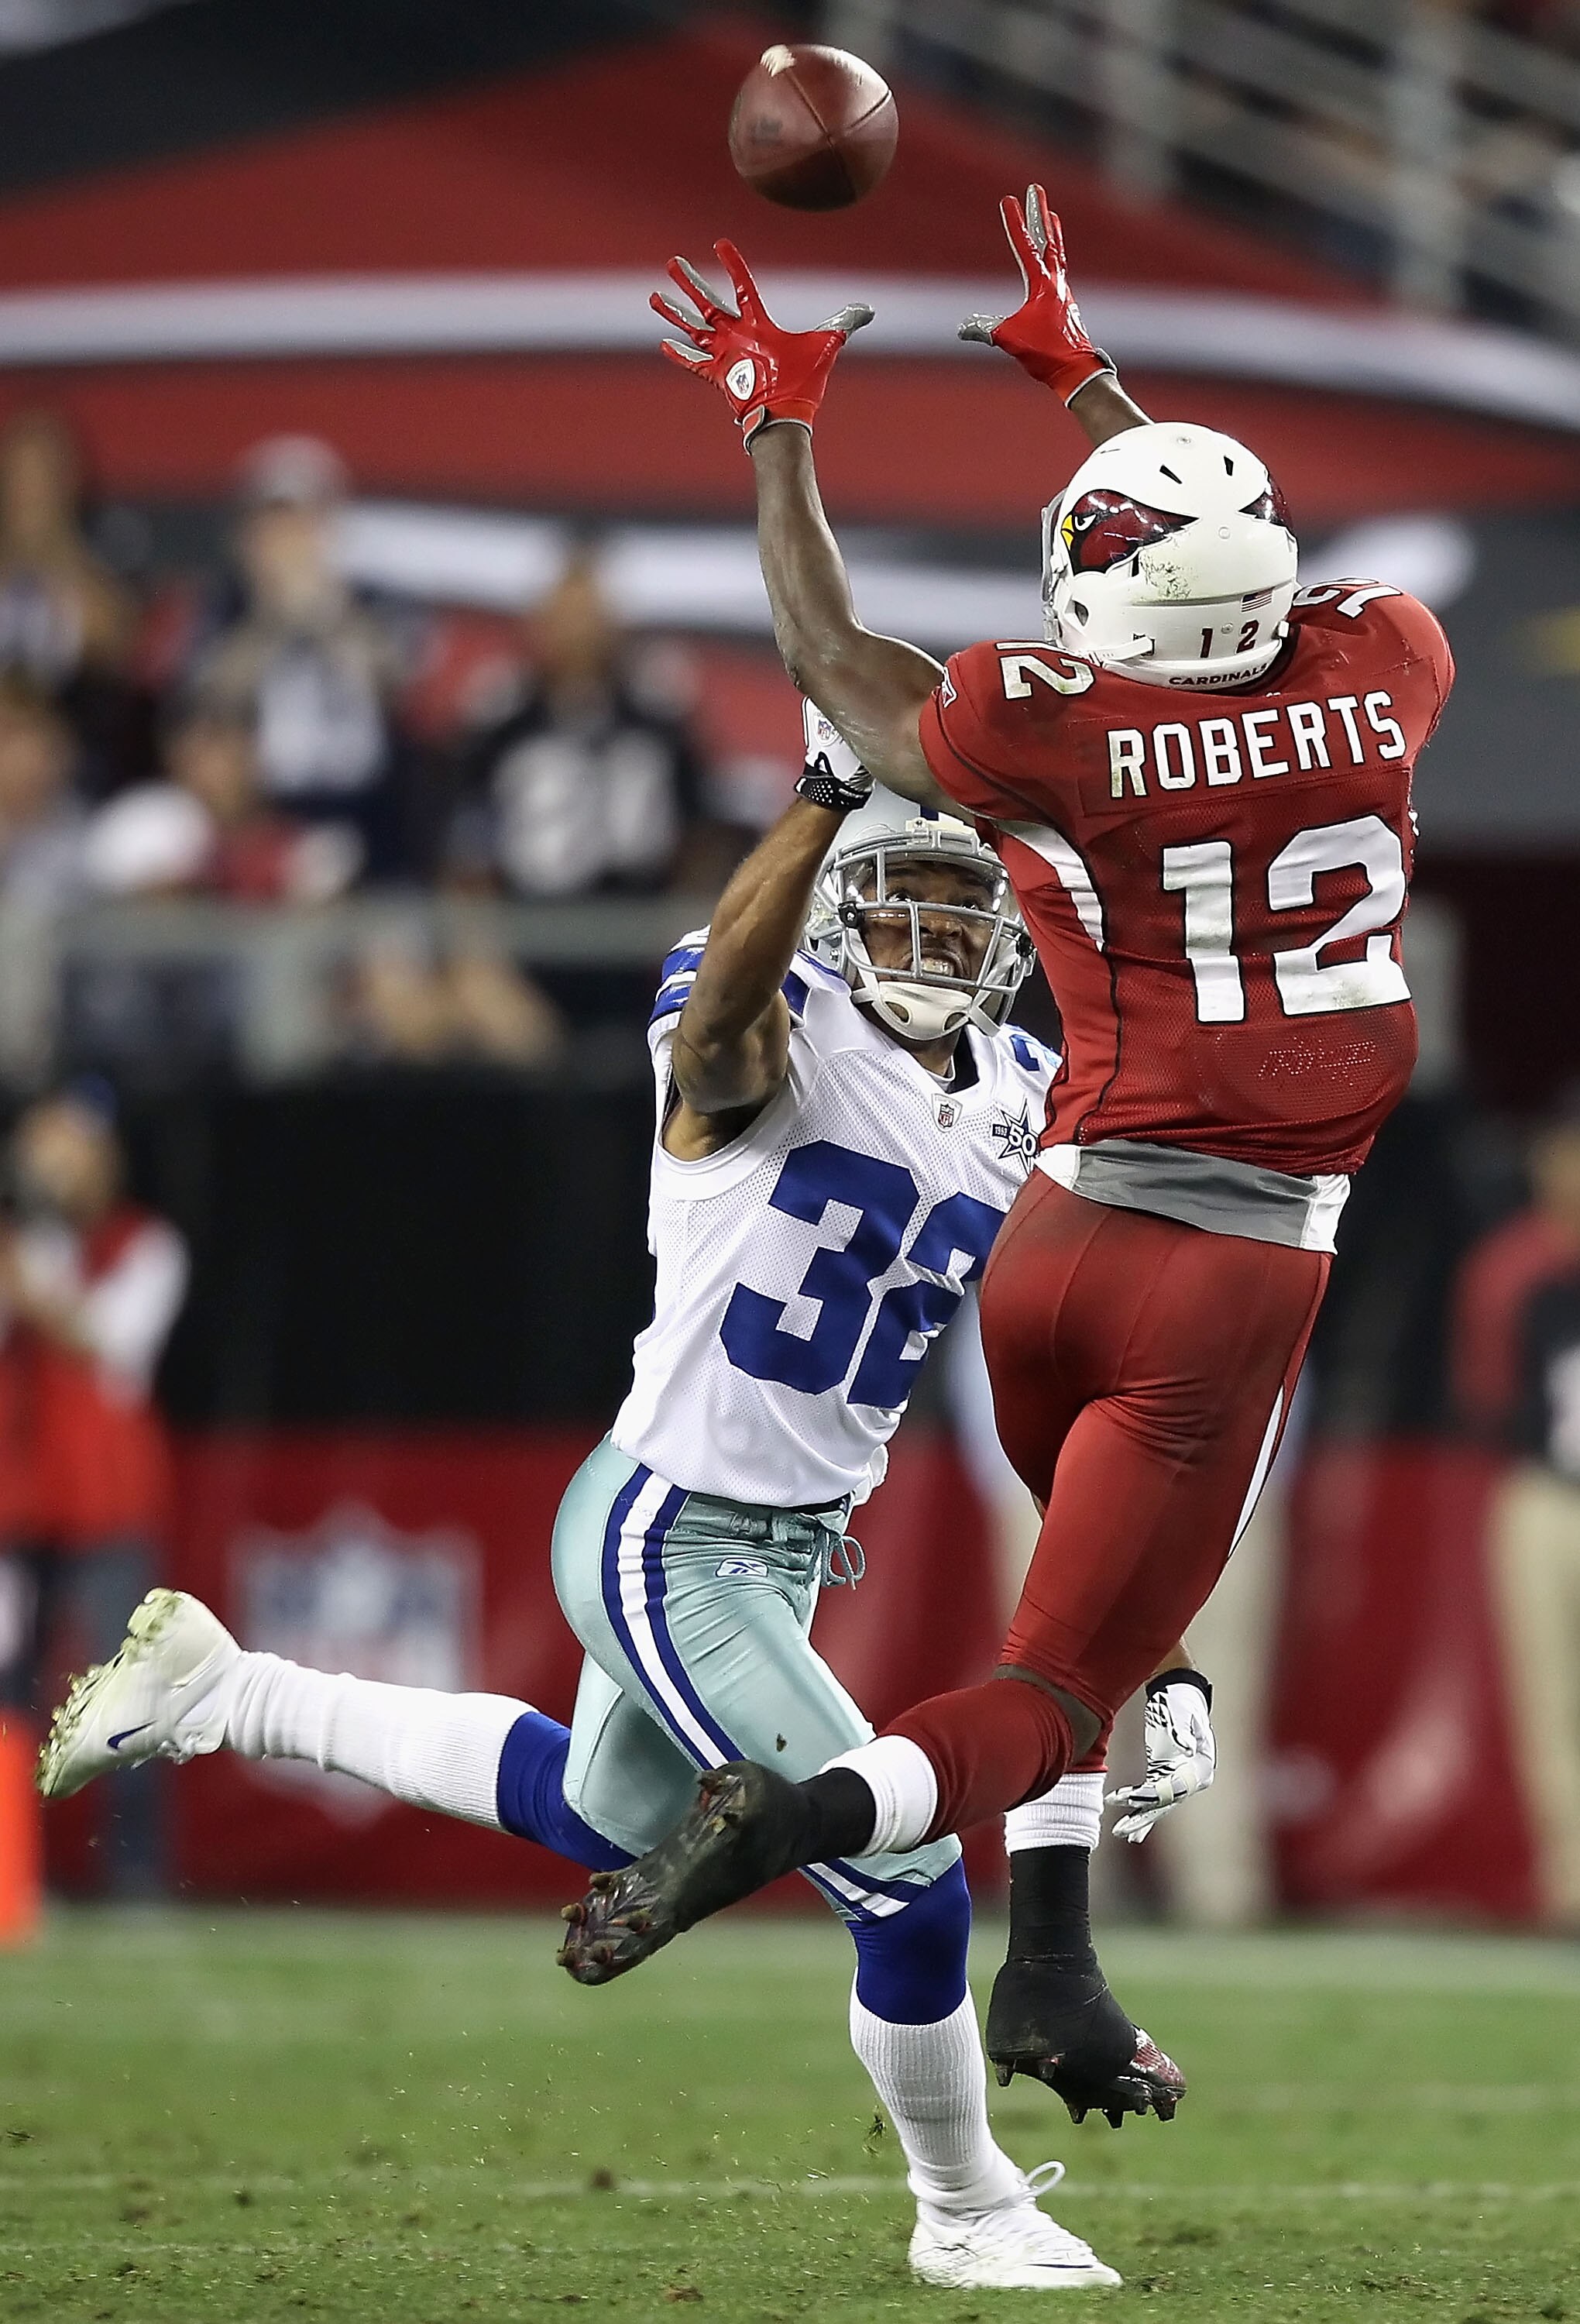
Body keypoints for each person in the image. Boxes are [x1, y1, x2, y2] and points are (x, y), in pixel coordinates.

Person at [37, 713, 1214, 2291]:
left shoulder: (1018, 1089)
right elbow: (723, 1026)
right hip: (674, 1536)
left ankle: (225, 1690)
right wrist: (819, 801)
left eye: (961, 911)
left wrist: (1156, 1633)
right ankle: (967, 2209)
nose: (935, 940)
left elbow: (1063, 1381)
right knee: (910, 1881)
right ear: (836, 913)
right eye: (903, 906)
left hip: (782, 1548)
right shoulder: (771, 1021)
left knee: (605, 1815)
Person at [551, 187, 1453, 2043]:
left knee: (1083, 1625)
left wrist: (776, 416)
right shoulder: (1394, 661)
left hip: (1057, 1233)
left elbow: (827, 649)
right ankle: (803, 1819)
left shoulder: (1057, 732)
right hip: (1236, 1259)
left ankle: (1052, 1961)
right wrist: (1089, 383)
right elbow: (1231, 559)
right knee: (1055, 1680)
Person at [0, 1087, 187, 1894]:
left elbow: (110, 1342)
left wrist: (29, 1277)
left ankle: (135, 1873)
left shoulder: (146, 1245)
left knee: (130, 1682)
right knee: (11, 1683)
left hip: (109, 1498)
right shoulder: (21, 1245)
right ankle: (14, 1869)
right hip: (20, 1495)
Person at [1452, 1091, 1580, 1924]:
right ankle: (1572, 1884)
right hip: (1544, 1494)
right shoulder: (1513, 1265)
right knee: (1549, 1701)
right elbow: (1486, 1393)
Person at [447, 551, 724, 899]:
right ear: (540, 625)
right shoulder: (503, 724)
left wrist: (687, 908)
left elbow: (701, 827)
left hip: (640, 916)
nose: (579, 633)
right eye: (566, 618)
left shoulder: (657, 720)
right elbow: (464, 830)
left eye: (588, 616)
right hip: (527, 918)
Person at [188, 437, 407, 877]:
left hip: (368, 809)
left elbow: (395, 685)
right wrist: (273, 614)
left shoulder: (376, 602)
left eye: (303, 524)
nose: (289, 542)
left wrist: (323, 607)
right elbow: (209, 700)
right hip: (259, 814)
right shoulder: (225, 608)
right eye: (274, 525)